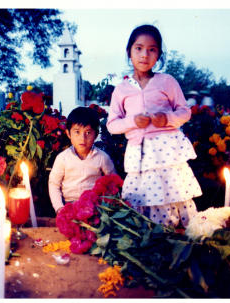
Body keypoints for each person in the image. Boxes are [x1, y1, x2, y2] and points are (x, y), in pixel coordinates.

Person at [106, 24, 202, 228]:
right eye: (139, 48)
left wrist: (166, 118)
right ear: (129, 52)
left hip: (168, 150)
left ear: (158, 55)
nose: (144, 55)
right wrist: (132, 122)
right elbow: (112, 125)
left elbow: (185, 111)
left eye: (152, 49)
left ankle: (180, 235)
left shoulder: (167, 82)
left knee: (172, 192)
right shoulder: (121, 90)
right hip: (140, 153)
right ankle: (151, 237)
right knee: (145, 196)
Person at [48, 107, 115, 214]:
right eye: (77, 132)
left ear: (96, 135)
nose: (82, 138)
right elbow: (54, 184)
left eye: (88, 133)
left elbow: (112, 182)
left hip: (95, 207)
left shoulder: (102, 158)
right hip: (69, 206)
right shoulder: (63, 159)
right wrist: (59, 208)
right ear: (68, 134)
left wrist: (108, 206)